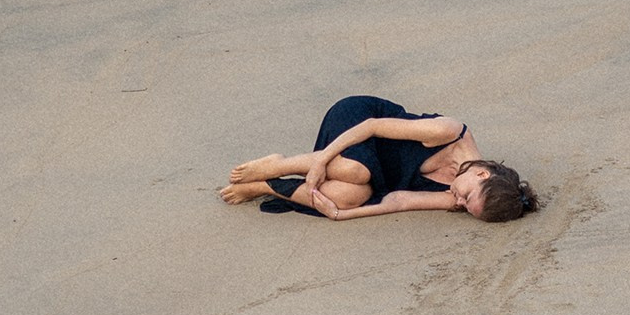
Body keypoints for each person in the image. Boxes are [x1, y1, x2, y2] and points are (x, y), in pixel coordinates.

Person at [220, 95, 538, 221]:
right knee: (357, 172)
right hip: (360, 122)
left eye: (466, 208)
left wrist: (340, 216)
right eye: (467, 197)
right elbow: (372, 126)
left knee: (349, 196)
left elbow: (397, 201)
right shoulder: (450, 132)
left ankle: (266, 185)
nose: (458, 201)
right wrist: (320, 160)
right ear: (483, 174)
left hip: (373, 175)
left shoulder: (459, 196)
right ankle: (282, 164)